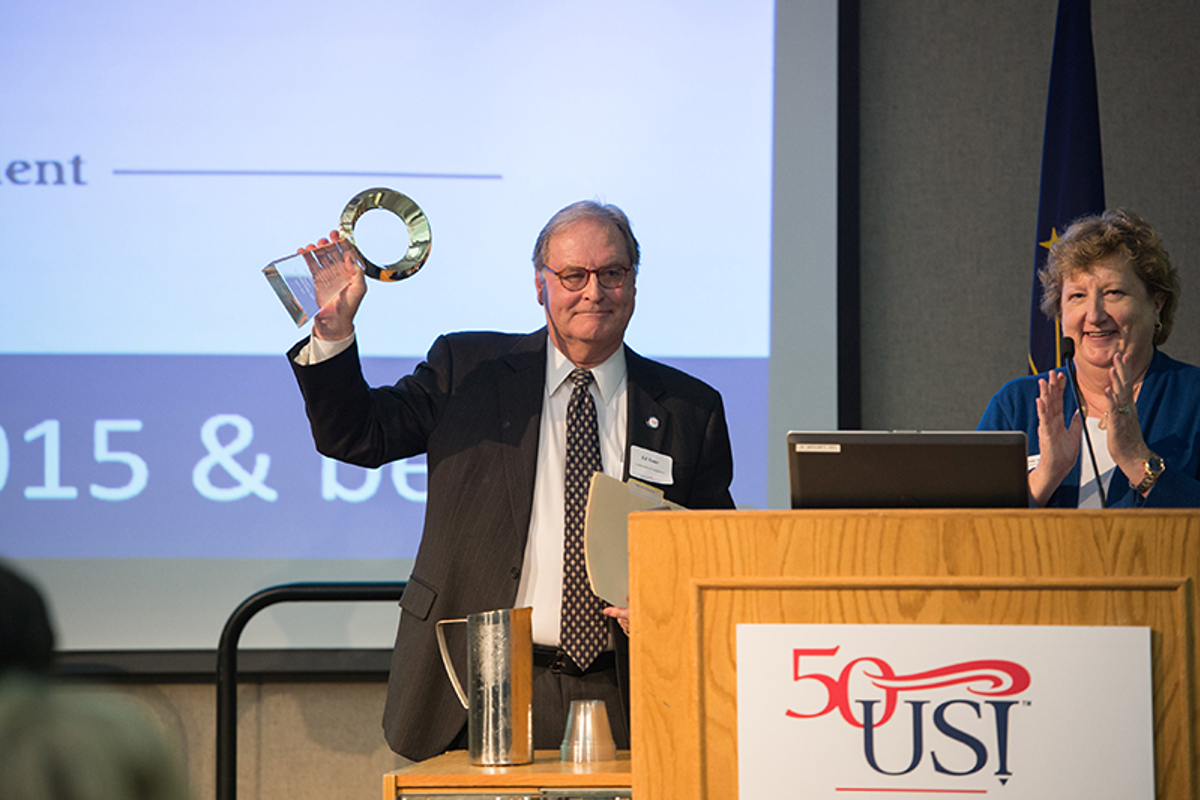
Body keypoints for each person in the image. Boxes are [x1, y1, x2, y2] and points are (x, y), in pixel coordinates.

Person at [288, 200, 735, 760]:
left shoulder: (689, 408)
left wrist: (669, 603)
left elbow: (713, 551)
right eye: (573, 275)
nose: (593, 291)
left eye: (612, 273)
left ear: (634, 283)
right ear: (540, 284)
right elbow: (356, 436)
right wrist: (335, 332)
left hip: (630, 689)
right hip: (481, 685)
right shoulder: (468, 370)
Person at [978, 209, 1200, 507]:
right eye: (1077, 296)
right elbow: (970, 534)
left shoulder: (1193, 398)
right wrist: (1045, 475)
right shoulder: (1016, 406)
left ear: (1156, 305)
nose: (1094, 316)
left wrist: (1137, 459)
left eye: (1113, 293)